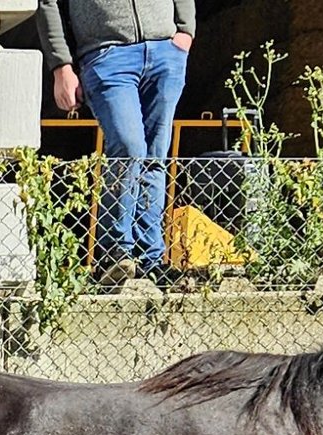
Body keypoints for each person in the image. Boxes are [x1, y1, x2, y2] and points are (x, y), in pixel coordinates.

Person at [37, 0, 193, 285]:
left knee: (155, 157)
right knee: (129, 147)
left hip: (165, 51)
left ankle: (151, 259)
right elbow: (49, 4)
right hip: (106, 56)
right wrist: (61, 65)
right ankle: (114, 253)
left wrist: (185, 31)